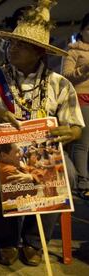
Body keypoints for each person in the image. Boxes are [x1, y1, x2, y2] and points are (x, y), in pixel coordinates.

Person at [0, 0, 84, 267]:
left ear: (39, 52)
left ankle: (33, 239)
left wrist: (70, 133)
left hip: (44, 153)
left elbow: (76, 128)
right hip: (2, 152)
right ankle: (8, 239)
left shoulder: (60, 85)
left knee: (66, 171)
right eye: (11, 43)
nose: (12, 48)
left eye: (21, 45)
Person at [62, 12, 89, 200]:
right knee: (82, 144)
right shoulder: (73, 51)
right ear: (82, 30)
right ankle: (82, 182)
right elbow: (66, 76)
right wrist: (85, 69)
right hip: (81, 98)